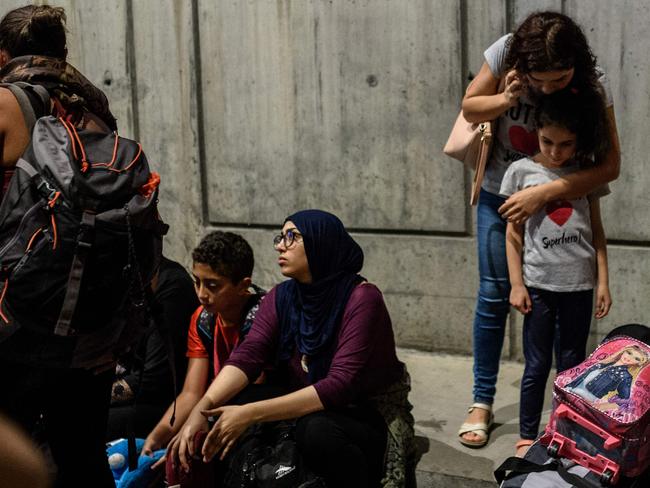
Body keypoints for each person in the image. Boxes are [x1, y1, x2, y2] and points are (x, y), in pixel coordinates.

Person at [457, 11, 621, 448]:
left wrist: (545, 195)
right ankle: (481, 400)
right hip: (501, 192)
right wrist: (507, 100)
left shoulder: (592, 82)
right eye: (539, 79)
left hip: (555, 195)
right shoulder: (506, 52)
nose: (548, 88)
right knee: (494, 293)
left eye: (559, 78)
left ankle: (565, 421)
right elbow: (470, 105)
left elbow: (611, 166)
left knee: (568, 347)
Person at [168, 210, 414, 488]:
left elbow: (340, 385)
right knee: (232, 404)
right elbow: (249, 356)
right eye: (280, 237)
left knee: (316, 431)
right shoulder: (282, 296)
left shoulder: (362, 298)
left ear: (321, 243)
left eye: (292, 237)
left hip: (362, 411)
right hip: (309, 402)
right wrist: (201, 410)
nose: (280, 245)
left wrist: (251, 413)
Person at [0, 5, 120, 486]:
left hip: (17, 319)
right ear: (62, 53)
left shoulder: (7, 102)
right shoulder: (94, 109)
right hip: (90, 322)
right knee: (82, 457)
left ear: (2, 54)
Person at [500, 90, 612, 456]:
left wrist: (603, 283)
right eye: (548, 141)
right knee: (536, 365)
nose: (555, 152)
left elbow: (596, 231)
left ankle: (566, 431)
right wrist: (517, 284)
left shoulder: (586, 173)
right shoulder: (521, 173)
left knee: (573, 364)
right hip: (539, 288)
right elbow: (513, 235)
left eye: (566, 144)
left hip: (579, 286)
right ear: (537, 131)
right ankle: (528, 434)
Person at [141, 231, 265, 468]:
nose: (201, 294)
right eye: (196, 281)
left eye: (212, 285)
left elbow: (251, 389)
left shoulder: (262, 317)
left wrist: (195, 424)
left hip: (254, 412)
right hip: (214, 408)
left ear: (243, 286)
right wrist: (156, 438)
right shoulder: (203, 320)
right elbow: (191, 393)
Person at [107, 256, 199, 441]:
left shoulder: (171, 287)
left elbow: (153, 381)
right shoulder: (115, 273)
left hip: (157, 403)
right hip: (128, 385)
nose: (203, 294)